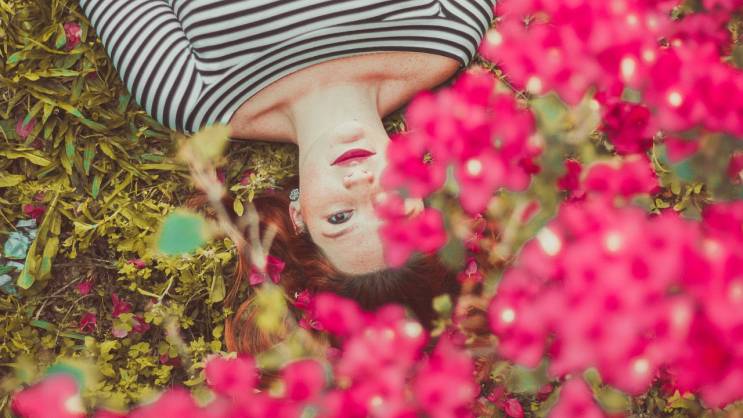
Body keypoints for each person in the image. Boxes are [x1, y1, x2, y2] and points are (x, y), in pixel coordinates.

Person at [80, 0, 495, 353]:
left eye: (340, 218)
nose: (361, 184)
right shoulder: (449, 29)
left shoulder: (191, 96)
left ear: (299, 216)